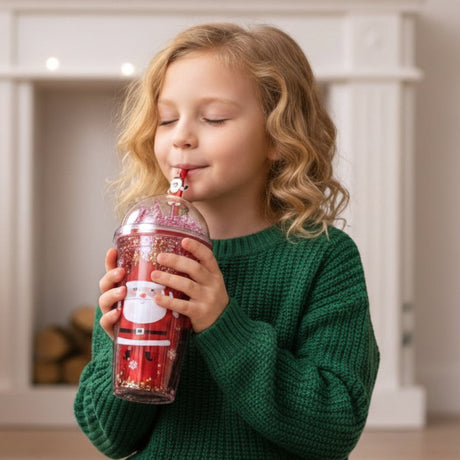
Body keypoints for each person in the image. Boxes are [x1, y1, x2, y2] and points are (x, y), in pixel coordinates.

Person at [74, 22, 379, 460]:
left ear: (277, 135)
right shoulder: (142, 252)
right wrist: (124, 349)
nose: (181, 136)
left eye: (214, 117)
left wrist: (223, 324)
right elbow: (110, 439)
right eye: (166, 119)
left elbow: (335, 426)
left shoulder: (324, 256)